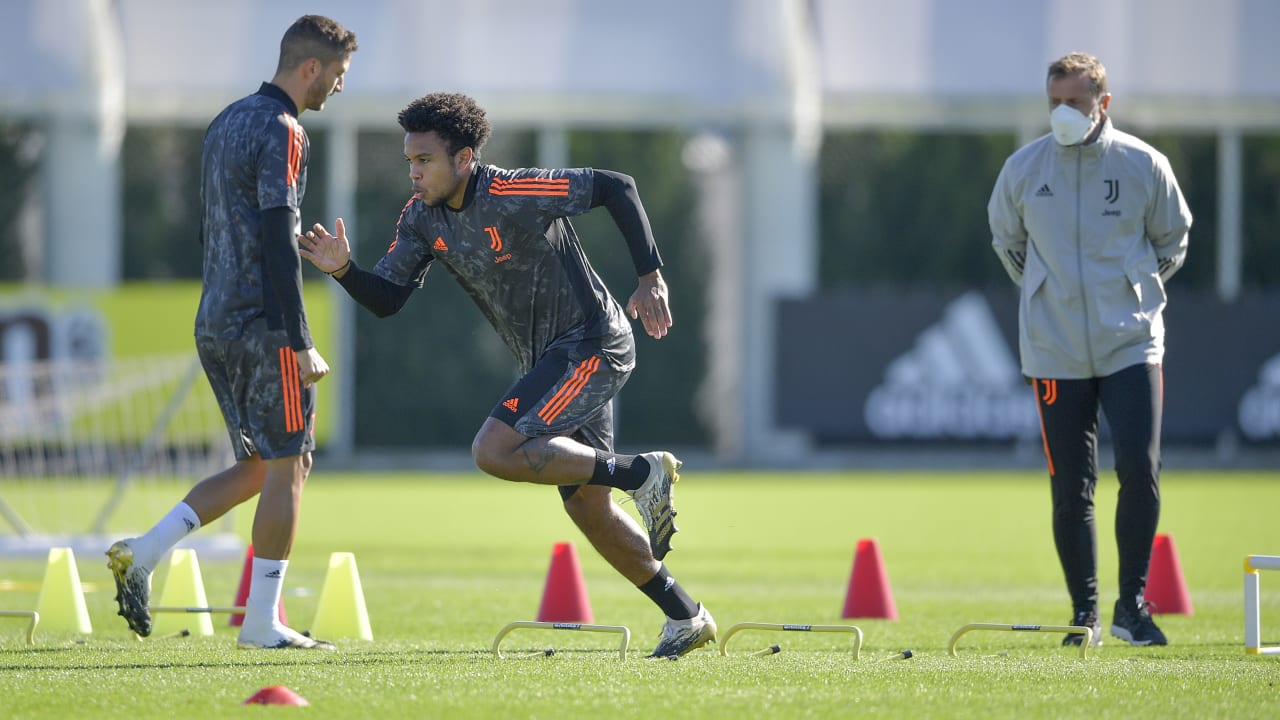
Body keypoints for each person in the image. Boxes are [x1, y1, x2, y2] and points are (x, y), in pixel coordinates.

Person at [297, 92, 717, 658]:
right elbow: (388, 300)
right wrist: (344, 270)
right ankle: (686, 616)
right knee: (587, 508)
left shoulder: (514, 190)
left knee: (493, 448)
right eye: (410, 162)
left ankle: (641, 473)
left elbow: (617, 186)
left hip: (593, 343)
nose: (414, 173)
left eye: (425, 161)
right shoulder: (420, 218)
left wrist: (650, 277)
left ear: (465, 158)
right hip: (552, 362)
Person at [106, 15, 358, 650]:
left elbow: (208, 228)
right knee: (291, 466)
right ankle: (261, 622)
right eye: (338, 74)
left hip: (214, 318)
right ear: (310, 69)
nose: (338, 87)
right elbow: (278, 235)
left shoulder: (225, 122)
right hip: (264, 324)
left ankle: (144, 551)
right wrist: (297, 337)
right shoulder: (285, 129)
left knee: (256, 467)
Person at [988, 52, 1192, 647]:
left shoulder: (1142, 165)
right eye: (1054, 102)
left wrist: (1133, 293)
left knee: (1139, 469)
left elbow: (1172, 238)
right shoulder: (1024, 168)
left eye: (1074, 103)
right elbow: (1008, 242)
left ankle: (1132, 607)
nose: (1062, 113)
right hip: (1054, 350)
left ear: (1103, 104)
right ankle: (1086, 615)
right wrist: (1050, 297)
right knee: (1071, 486)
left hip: (1131, 341)